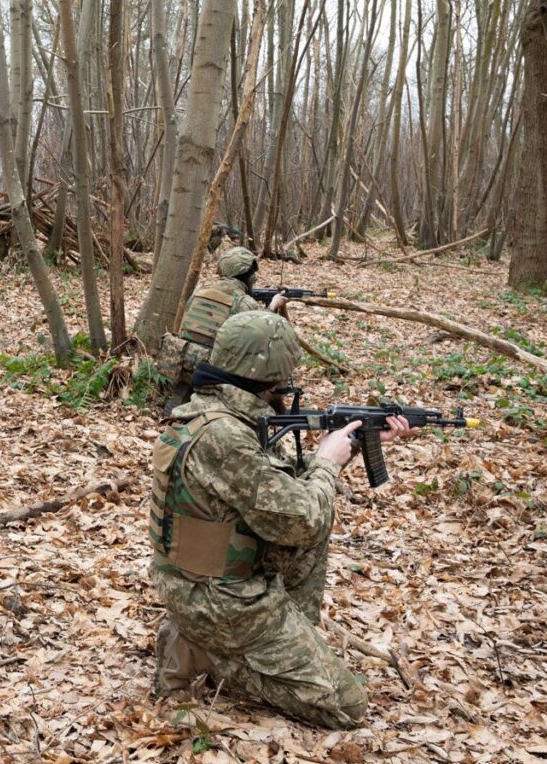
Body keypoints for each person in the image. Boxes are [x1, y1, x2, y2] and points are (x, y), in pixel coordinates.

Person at [147, 311, 413, 729]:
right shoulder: (227, 437)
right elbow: (302, 520)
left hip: (199, 584)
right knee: (347, 707)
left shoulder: (212, 414)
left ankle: (266, 639)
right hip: (221, 600)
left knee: (312, 526)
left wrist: (355, 445)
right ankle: (206, 652)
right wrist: (328, 462)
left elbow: (283, 497)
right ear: (270, 379)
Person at [156, 246, 284, 414]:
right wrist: (273, 305)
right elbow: (261, 334)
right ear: (248, 275)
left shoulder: (200, 291)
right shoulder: (244, 302)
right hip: (214, 370)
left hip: (182, 361)